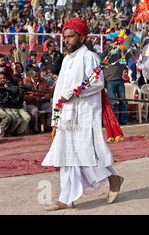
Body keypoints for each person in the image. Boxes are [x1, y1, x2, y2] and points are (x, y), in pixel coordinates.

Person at [42, 17, 123, 211]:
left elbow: (97, 83)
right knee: (66, 155)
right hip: (66, 115)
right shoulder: (68, 59)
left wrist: (75, 91)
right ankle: (66, 198)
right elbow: (60, 87)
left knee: (84, 154)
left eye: (71, 36)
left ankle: (112, 178)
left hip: (84, 115)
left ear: (82, 36)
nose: (66, 40)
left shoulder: (90, 57)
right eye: (65, 37)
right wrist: (57, 110)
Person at [99, 38, 130, 126]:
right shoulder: (104, 55)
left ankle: (123, 120)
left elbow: (128, 55)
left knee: (123, 101)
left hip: (119, 79)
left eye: (111, 44)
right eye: (108, 44)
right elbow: (100, 58)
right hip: (109, 81)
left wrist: (122, 48)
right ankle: (111, 122)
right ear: (105, 46)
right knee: (112, 102)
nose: (110, 46)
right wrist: (107, 50)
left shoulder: (117, 54)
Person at [0, 72, 22, 137]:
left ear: (6, 79)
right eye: (0, 78)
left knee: (15, 118)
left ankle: (7, 132)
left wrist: (7, 87)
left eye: (4, 78)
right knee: (7, 117)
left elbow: (15, 89)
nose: (2, 80)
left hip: (5, 106)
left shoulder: (8, 84)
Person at [23, 66, 53, 134]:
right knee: (34, 111)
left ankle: (49, 126)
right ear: (30, 75)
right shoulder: (25, 81)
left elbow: (50, 93)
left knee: (52, 107)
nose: (37, 78)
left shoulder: (44, 81)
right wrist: (34, 98)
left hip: (42, 102)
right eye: (35, 76)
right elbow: (23, 96)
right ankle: (35, 128)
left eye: (38, 76)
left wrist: (45, 97)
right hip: (31, 103)